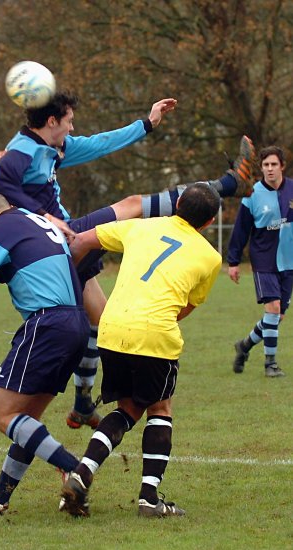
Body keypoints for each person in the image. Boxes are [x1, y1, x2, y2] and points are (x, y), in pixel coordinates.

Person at [0, 90, 255, 429]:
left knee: (102, 321)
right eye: (70, 121)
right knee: (132, 204)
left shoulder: (56, 148)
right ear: (52, 121)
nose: (74, 129)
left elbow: (102, 143)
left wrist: (146, 123)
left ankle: (83, 403)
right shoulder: (22, 152)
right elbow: (0, 184)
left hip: (67, 245)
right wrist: (45, 215)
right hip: (58, 241)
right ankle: (227, 184)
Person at [60, 183, 222, 518]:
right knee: (159, 408)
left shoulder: (140, 226)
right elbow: (185, 308)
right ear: (209, 223)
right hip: (154, 333)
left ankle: (82, 473)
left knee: (128, 409)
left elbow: (81, 241)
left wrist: (68, 282)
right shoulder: (210, 257)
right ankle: (149, 498)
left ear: (176, 204)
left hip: (113, 328)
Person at [0, 193, 90, 514]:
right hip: (77, 322)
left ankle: (74, 469)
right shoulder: (37, 221)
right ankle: (0, 496)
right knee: (27, 421)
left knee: (1, 415)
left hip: (47, 323)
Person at [228, 146, 293, 377]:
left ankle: (244, 345)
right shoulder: (252, 195)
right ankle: (270, 364)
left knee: (277, 316)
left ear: (282, 166)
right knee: (273, 309)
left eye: (274, 164)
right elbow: (240, 230)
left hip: (289, 261)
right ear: (261, 168)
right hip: (264, 259)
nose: (270, 169)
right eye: (266, 165)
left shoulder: (292, 189)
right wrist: (233, 262)